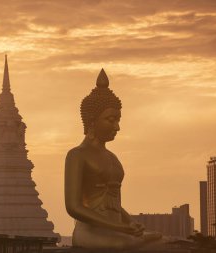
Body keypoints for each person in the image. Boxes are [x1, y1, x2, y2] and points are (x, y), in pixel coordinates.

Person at [65, 69, 162, 250]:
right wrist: (120, 227)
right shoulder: (77, 155)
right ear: (92, 121)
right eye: (111, 120)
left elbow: (113, 204)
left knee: (165, 242)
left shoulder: (112, 158)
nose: (117, 127)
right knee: (130, 246)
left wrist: (131, 224)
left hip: (117, 231)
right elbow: (73, 207)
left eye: (118, 120)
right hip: (90, 232)